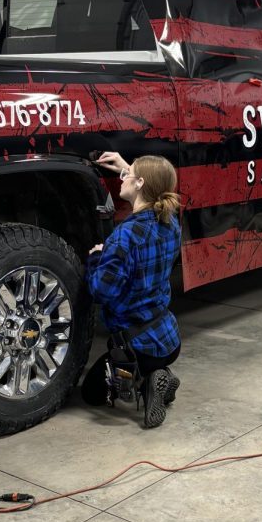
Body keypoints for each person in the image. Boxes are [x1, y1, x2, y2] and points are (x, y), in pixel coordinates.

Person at [82, 152, 181, 428]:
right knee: (121, 373)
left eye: (128, 174)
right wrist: (127, 167)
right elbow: (150, 186)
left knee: (91, 394)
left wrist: (96, 259)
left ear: (140, 184)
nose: (122, 178)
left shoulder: (124, 236)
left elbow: (101, 292)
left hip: (136, 347)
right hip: (168, 338)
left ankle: (146, 384)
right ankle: (159, 375)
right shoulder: (170, 221)